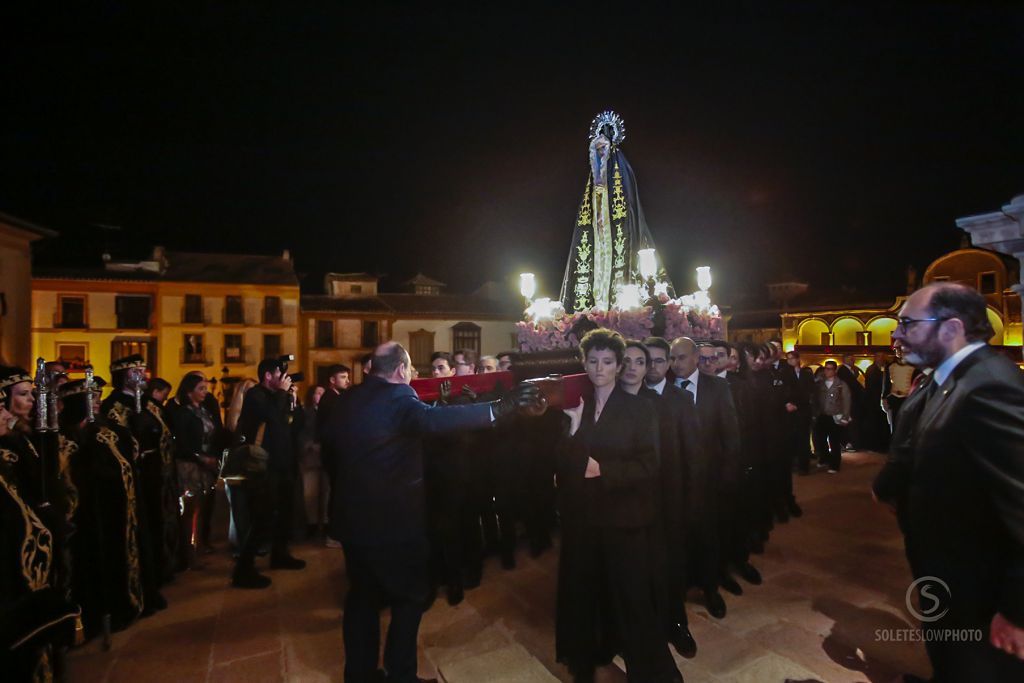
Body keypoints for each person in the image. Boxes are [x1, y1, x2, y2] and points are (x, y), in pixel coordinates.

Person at [323, 342, 539, 683]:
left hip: (352, 523)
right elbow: (434, 420)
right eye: (408, 369)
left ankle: (360, 675)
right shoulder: (399, 397)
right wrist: (499, 407)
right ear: (400, 370)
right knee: (409, 598)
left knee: (362, 601)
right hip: (393, 526)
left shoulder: (348, 399)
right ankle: (402, 676)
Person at [873, 282, 1024, 679]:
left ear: (951, 328)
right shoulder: (944, 378)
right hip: (949, 573)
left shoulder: (990, 383)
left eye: (908, 323)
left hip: (979, 588)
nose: (897, 333)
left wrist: (1016, 611)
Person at [557, 330, 680, 682]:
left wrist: (604, 470)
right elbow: (564, 464)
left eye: (607, 362)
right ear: (584, 362)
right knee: (588, 594)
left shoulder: (638, 408)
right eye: (593, 361)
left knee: (632, 599)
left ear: (617, 365)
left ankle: (653, 674)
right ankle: (592, 658)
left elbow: (650, 464)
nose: (599, 368)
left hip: (625, 518)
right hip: (586, 519)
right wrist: (575, 428)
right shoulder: (577, 406)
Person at [0, 373, 80, 681]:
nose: (30, 401)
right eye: (23, 394)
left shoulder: (24, 437)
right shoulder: (10, 448)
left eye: (32, 394)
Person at [627, 340, 700, 659]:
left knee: (671, 567)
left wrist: (690, 501)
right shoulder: (628, 400)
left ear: (668, 363)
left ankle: (676, 623)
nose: (654, 367)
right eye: (648, 361)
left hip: (671, 500)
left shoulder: (681, 400)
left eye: (660, 361)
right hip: (636, 500)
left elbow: (693, 456)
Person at [669, 336, 740, 620]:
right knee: (678, 540)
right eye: (671, 358)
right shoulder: (662, 391)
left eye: (681, 357)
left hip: (709, 482)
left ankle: (710, 589)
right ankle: (680, 587)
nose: (675, 364)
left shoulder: (718, 388)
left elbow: (730, 437)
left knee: (709, 538)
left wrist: (727, 478)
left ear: (696, 357)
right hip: (674, 484)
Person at [231, 358, 305, 588]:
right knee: (261, 517)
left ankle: (280, 554)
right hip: (263, 467)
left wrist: (293, 400)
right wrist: (282, 395)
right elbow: (271, 417)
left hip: (283, 463)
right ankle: (244, 568)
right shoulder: (256, 395)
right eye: (279, 374)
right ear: (267, 376)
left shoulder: (279, 397)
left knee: (284, 513)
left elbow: (294, 424)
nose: (284, 377)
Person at [169, 373, 221, 570]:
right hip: (190, 466)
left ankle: (198, 547)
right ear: (189, 392)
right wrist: (200, 457)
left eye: (205, 388)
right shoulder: (183, 414)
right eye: (201, 389)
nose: (205, 392)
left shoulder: (204, 411)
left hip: (205, 464)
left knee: (202, 509)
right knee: (189, 511)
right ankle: (187, 555)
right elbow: (181, 443)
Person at [811, 361, 852, 473]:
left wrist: (845, 416)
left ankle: (835, 465)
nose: (827, 371)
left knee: (834, 441)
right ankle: (824, 458)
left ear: (834, 370)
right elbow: (814, 398)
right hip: (822, 415)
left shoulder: (841, 384)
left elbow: (847, 400)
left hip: (835, 415)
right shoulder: (820, 383)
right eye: (826, 368)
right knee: (820, 440)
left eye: (830, 369)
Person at [785, 350, 815, 474]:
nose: (790, 361)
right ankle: (792, 464)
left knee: (804, 439)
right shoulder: (785, 374)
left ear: (798, 359)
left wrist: (799, 404)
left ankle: (804, 466)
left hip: (803, 410)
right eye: (788, 359)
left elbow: (809, 391)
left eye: (792, 358)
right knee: (791, 438)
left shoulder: (806, 374)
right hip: (790, 410)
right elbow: (785, 391)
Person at [861, 351, 891, 452]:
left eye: (882, 356)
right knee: (875, 424)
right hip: (873, 402)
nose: (881, 358)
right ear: (875, 358)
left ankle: (885, 445)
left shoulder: (888, 368)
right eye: (879, 356)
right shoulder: (871, 369)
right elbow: (869, 387)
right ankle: (875, 446)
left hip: (885, 400)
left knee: (885, 424)